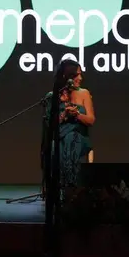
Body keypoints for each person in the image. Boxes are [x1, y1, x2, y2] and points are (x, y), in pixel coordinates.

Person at [42, 59, 96, 189]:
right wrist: (64, 114)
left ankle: (70, 185)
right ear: (67, 76)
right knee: (55, 145)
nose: (80, 78)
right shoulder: (52, 96)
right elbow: (49, 124)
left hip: (79, 136)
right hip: (59, 137)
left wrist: (77, 114)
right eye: (77, 75)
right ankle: (60, 187)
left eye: (80, 74)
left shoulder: (84, 93)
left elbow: (91, 120)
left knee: (71, 138)